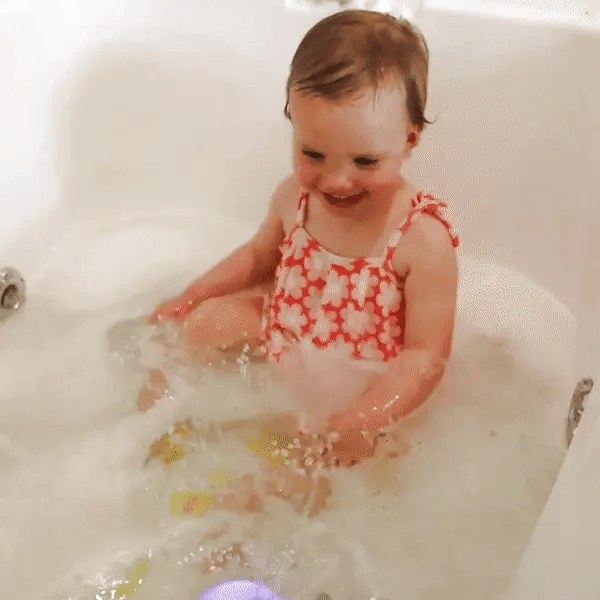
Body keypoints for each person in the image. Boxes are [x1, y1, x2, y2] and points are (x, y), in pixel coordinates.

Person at [140, 9, 459, 478]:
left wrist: (362, 420)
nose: (336, 180)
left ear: (409, 139)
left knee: (333, 462)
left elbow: (425, 358)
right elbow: (256, 257)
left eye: (365, 161)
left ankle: (283, 482)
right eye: (313, 154)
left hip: (362, 379)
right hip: (287, 338)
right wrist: (189, 298)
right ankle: (162, 417)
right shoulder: (295, 198)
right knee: (204, 324)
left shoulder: (422, 239)